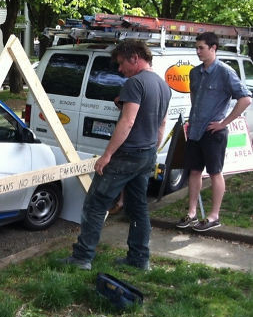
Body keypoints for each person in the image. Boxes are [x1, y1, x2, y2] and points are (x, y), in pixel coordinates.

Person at [62, 40, 171, 271]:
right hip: (147, 154)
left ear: (134, 57)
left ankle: (82, 257)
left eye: (121, 63)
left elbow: (128, 121)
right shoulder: (162, 85)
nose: (120, 70)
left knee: (95, 203)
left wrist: (107, 155)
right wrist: (152, 148)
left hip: (127, 155)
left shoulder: (135, 83)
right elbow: (161, 122)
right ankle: (139, 259)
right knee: (138, 207)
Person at [176, 32, 252, 232]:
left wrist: (223, 122)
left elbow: (245, 99)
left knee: (215, 172)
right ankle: (192, 213)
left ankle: (214, 215)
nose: (198, 51)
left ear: (213, 48)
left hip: (213, 132)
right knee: (194, 171)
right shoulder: (194, 72)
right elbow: (194, 96)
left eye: (201, 47)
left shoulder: (225, 72)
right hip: (195, 130)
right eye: (197, 48)